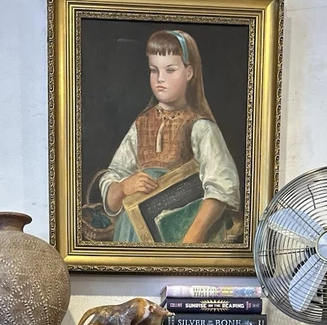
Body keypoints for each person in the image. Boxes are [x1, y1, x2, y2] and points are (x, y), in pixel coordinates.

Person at [98, 29, 241, 244]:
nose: (160, 79)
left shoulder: (201, 127)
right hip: (133, 233)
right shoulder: (140, 124)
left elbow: (222, 187)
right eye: (154, 70)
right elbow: (114, 177)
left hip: (182, 231)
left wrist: (191, 240)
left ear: (189, 72)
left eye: (170, 70)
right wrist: (123, 187)